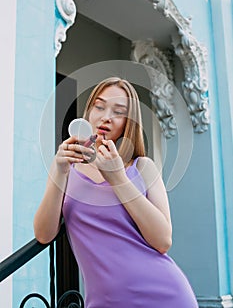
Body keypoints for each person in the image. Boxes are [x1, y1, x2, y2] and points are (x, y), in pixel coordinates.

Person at [34, 77, 198, 307]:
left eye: (118, 111)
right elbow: (44, 234)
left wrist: (118, 177)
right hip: (105, 301)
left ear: (128, 123)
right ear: (89, 113)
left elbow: (162, 241)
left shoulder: (143, 168)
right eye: (99, 106)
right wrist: (58, 170)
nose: (106, 117)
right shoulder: (67, 168)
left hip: (165, 295)